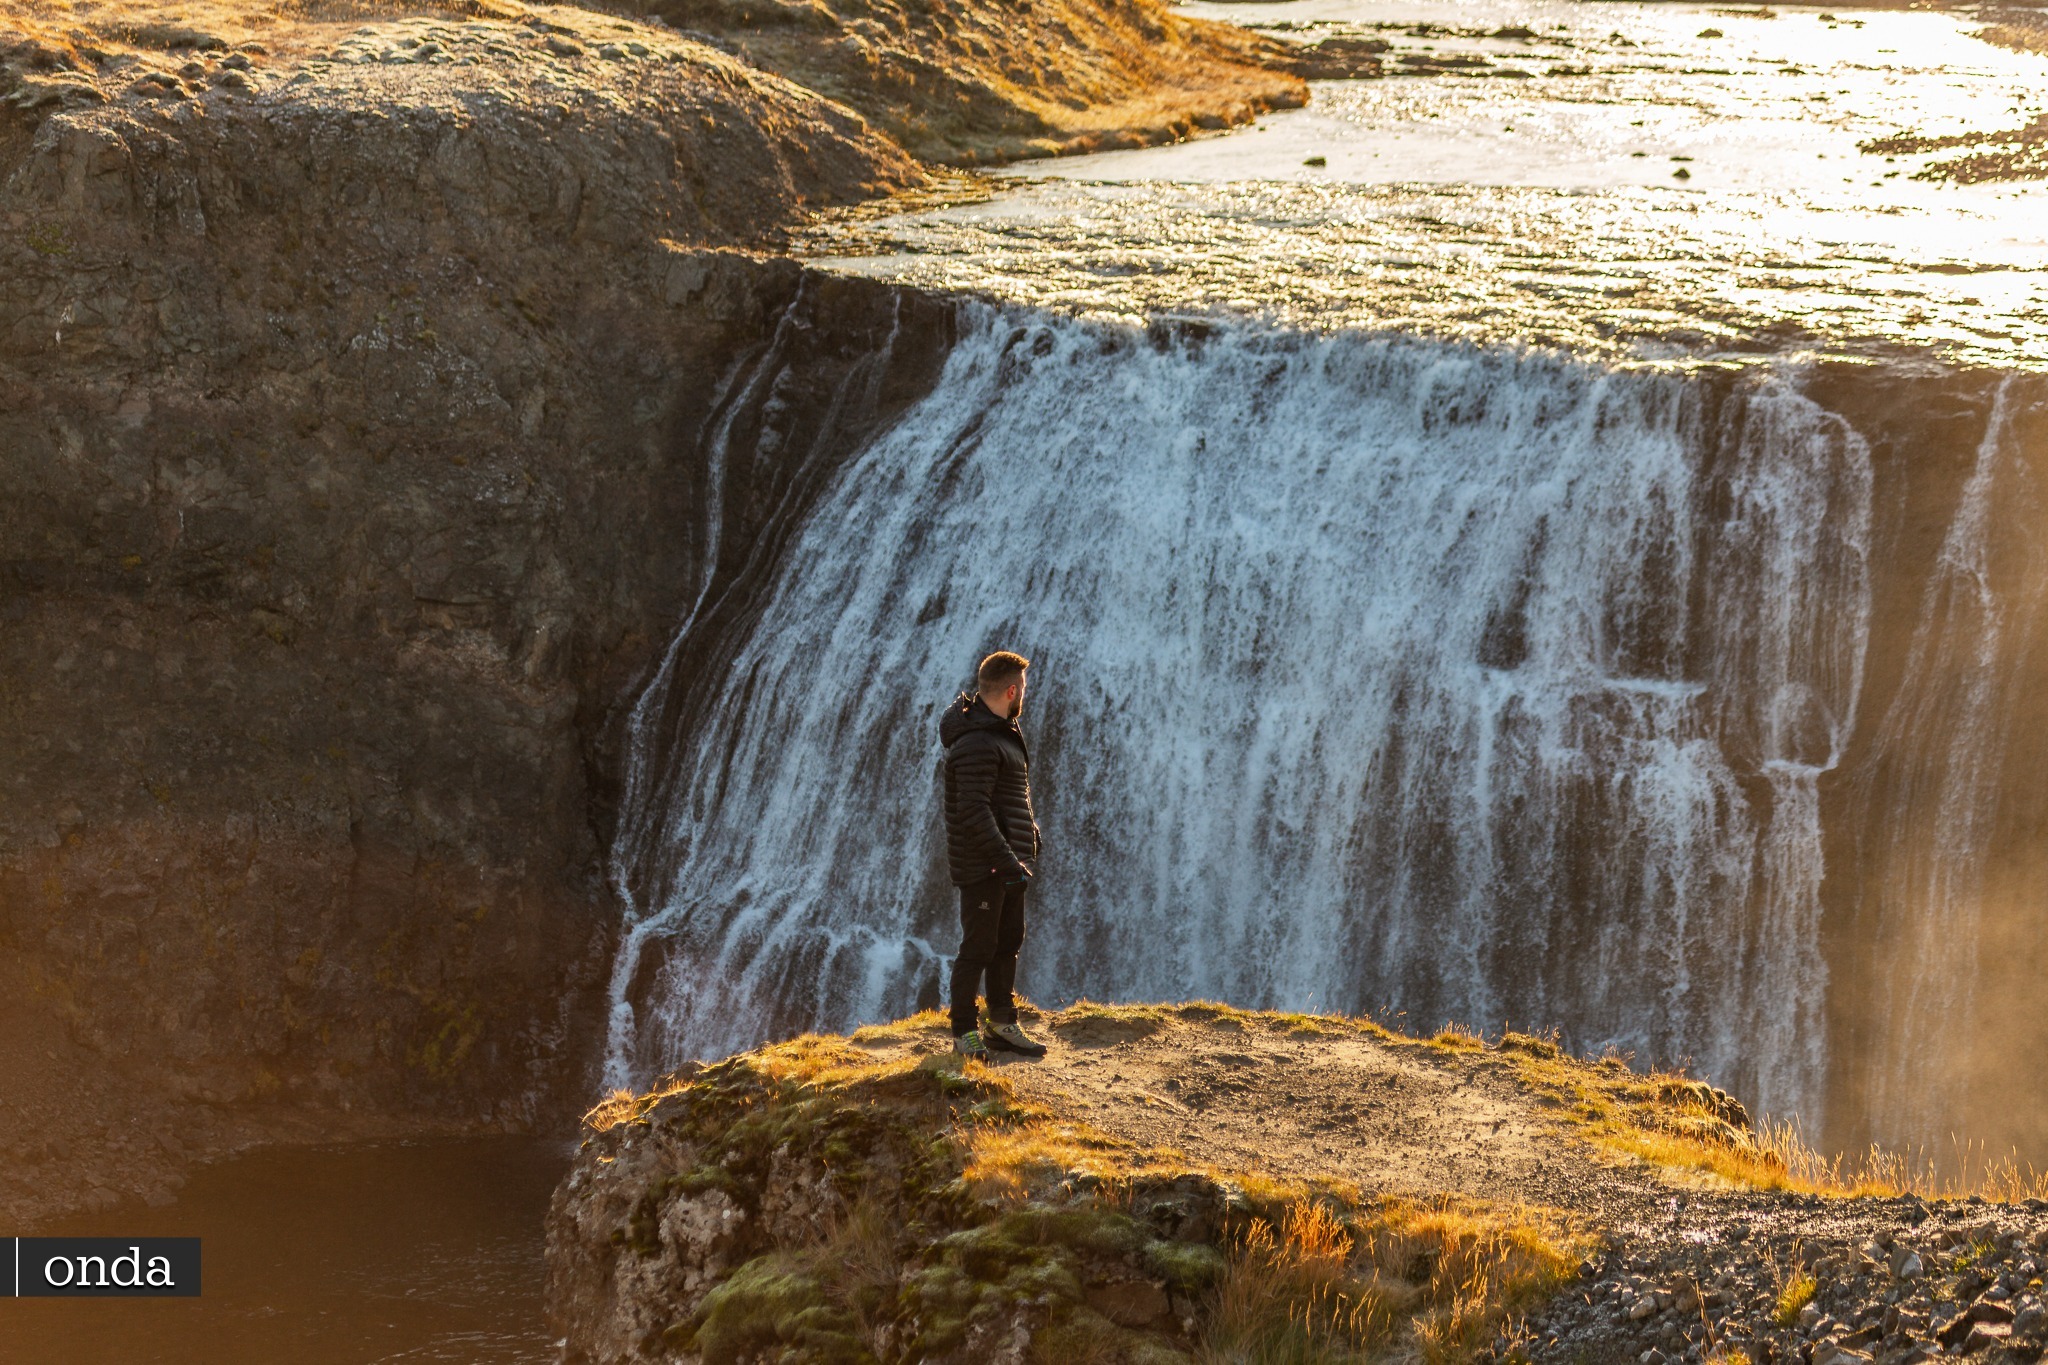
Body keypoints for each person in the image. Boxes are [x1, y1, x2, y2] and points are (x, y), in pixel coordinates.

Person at [938, 650, 1049, 1061]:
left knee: (1007, 942)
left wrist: (1029, 836)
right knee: (978, 948)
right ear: (1011, 689)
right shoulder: (978, 741)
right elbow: (973, 810)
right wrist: (1005, 860)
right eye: (1024, 688)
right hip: (986, 864)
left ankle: (1002, 1022)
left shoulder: (1003, 730)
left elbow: (1008, 796)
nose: (1025, 695)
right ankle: (964, 1031)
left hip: (1008, 860)